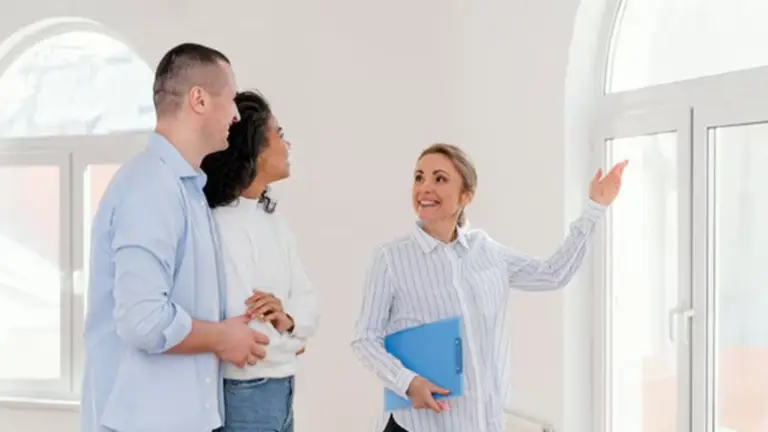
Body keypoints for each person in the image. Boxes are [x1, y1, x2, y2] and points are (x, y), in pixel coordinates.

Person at [351, 143, 627, 432]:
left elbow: (553, 274)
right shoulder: (390, 259)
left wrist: (594, 209)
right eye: (419, 178)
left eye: (439, 178)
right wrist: (407, 382)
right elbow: (365, 339)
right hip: (417, 426)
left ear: (466, 196)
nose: (425, 188)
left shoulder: (486, 251)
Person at [81, 43, 271, 432]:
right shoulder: (151, 188)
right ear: (199, 100)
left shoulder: (186, 190)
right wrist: (221, 339)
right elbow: (143, 320)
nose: (236, 114)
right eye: (230, 99)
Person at [201, 90, 319, 432]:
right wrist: (295, 340)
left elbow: (309, 303)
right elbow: (248, 336)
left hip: (281, 390)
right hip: (245, 392)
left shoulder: (273, 220)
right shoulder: (220, 225)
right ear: (253, 147)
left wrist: (289, 320)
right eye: (279, 134)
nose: (288, 145)